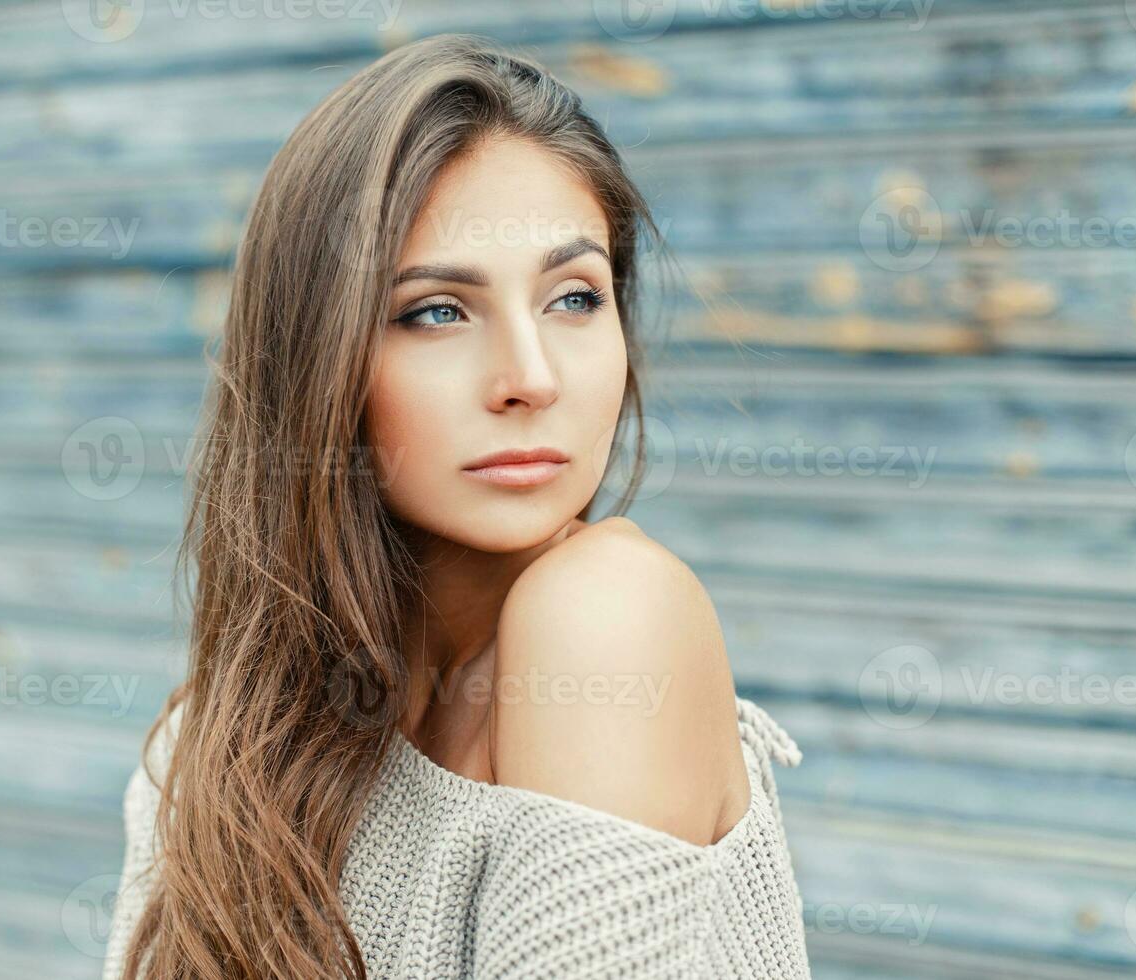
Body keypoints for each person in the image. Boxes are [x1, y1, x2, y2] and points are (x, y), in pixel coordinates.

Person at [103, 32, 811, 980]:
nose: (530, 377)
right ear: (317, 364)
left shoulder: (607, 618)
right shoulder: (217, 740)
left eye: (573, 298)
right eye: (437, 310)